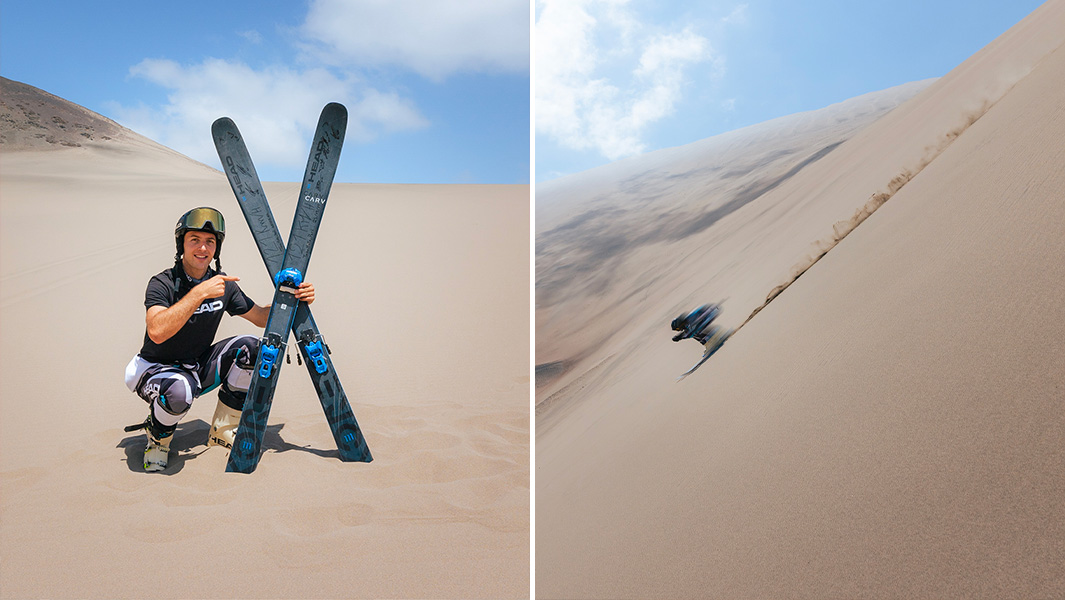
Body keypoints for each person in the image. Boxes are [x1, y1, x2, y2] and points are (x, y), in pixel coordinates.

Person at [124, 207, 316, 472]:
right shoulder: (163, 282)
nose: (203, 248)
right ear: (182, 244)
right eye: (195, 240)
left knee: (254, 348)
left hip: (197, 367)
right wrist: (199, 293)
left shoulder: (223, 285)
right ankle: (158, 438)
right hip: (155, 370)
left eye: (210, 242)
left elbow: (260, 317)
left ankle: (222, 429)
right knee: (179, 391)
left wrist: (291, 298)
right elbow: (157, 331)